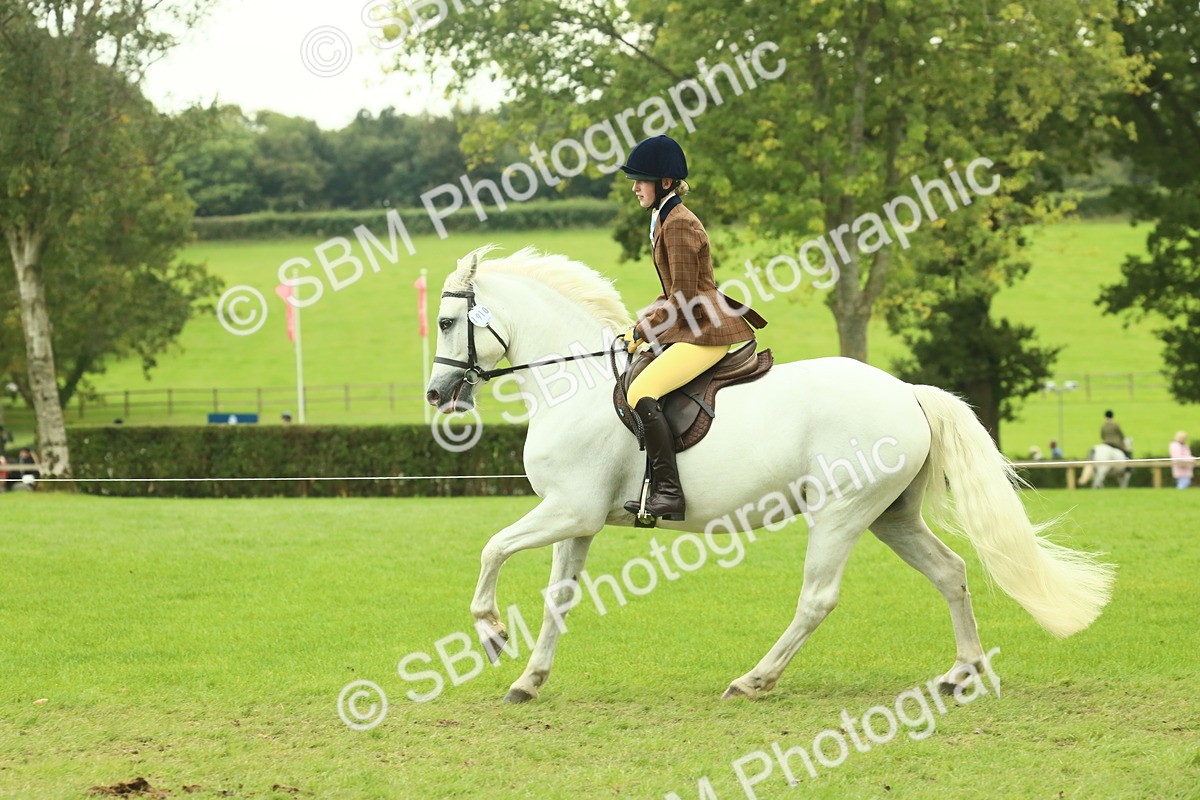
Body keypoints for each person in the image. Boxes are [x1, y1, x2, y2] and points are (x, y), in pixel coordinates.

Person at [616, 135, 768, 520]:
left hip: (704, 331)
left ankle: (668, 492)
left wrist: (644, 330)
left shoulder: (680, 224)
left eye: (641, 180)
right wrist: (642, 324)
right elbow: (672, 293)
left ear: (665, 182)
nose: (635, 188)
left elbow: (682, 298)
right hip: (692, 323)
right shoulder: (666, 218)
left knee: (642, 390)